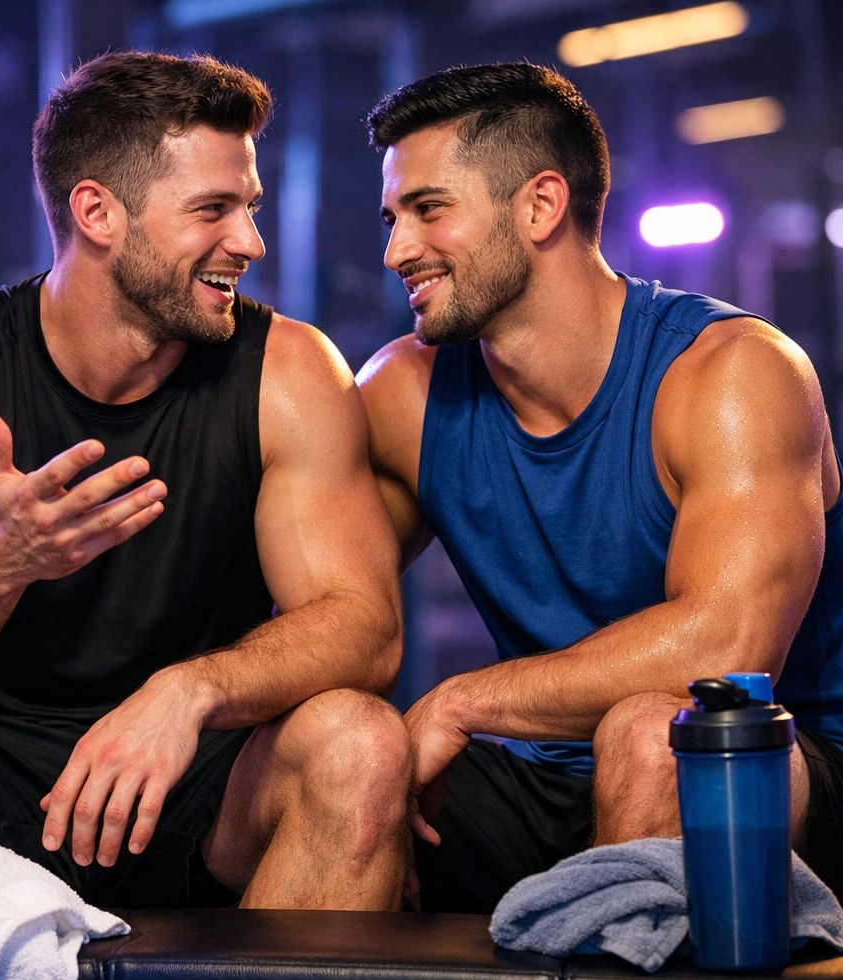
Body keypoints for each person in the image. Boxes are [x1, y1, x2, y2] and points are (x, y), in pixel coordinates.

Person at [0, 51, 412, 912]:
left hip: (198, 778)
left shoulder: (290, 370)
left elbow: (367, 629)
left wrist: (190, 689)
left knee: (359, 741)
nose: (250, 241)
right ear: (97, 211)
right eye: (213, 210)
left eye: (248, 206)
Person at [359, 61, 843, 913]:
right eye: (393, 217)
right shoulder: (404, 391)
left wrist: (466, 700)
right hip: (541, 767)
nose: (396, 250)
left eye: (429, 210)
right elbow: (322, 601)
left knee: (656, 733)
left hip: (769, 759)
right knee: (338, 755)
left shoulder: (732, 374)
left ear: (540, 206)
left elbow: (724, 653)